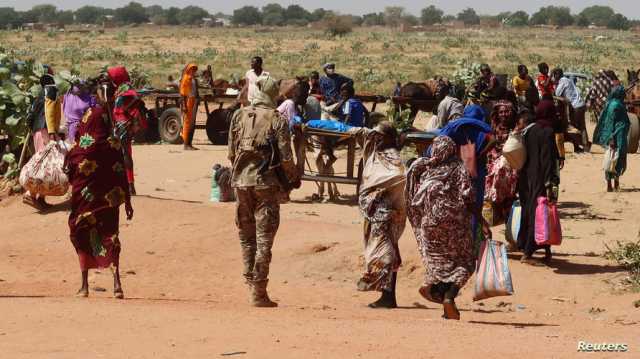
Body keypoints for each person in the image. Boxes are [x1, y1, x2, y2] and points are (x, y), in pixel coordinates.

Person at [228, 74, 300, 307]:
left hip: (240, 183)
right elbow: (286, 157)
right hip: (265, 185)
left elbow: (231, 153)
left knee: (246, 237)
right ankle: (259, 292)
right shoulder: (276, 119)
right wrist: (292, 177)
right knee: (264, 239)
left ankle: (250, 283)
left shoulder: (239, 115)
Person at [406, 136, 489, 320]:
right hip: (455, 228)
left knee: (438, 263)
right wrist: (480, 220)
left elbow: (415, 200)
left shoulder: (427, 171)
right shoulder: (459, 169)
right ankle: (449, 297)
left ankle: (435, 290)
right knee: (465, 263)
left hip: (430, 227)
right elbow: (468, 197)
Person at [64, 81, 133, 299]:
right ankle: (117, 284)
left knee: (82, 232)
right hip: (108, 203)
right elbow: (123, 175)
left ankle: (84, 286)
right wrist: (128, 202)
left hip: (86, 202)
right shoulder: (114, 145)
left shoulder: (81, 149)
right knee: (110, 235)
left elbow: (71, 165)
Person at [348, 122, 406, 308]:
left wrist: (381, 196)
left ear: (390, 138)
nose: (376, 138)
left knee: (386, 253)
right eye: (375, 135)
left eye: (380, 136)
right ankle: (388, 295)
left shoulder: (396, 160)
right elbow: (355, 131)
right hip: (374, 214)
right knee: (389, 252)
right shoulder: (373, 152)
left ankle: (388, 296)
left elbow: (398, 182)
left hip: (389, 215)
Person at [518, 104, 561, 265]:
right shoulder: (546, 132)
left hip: (527, 178)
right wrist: (550, 182)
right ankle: (528, 252)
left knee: (536, 211)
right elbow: (548, 159)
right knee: (541, 213)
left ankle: (542, 248)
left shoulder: (528, 132)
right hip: (541, 178)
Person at [23, 72, 62, 210]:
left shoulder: (39, 96)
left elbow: (31, 116)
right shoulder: (51, 91)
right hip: (45, 131)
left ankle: (41, 197)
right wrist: (51, 133)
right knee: (43, 164)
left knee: (43, 163)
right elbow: (50, 112)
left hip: (37, 131)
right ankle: (31, 194)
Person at [107, 66, 147, 195]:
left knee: (124, 153)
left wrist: (124, 109)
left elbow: (135, 97)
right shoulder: (120, 87)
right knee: (124, 152)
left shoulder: (126, 87)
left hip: (123, 124)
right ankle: (127, 183)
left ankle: (129, 185)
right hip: (121, 124)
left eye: (113, 76)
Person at [485, 100, 519, 227]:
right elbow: (490, 146)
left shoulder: (516, 128)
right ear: (497, 114)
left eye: (507, 112)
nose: (504, 114)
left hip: (512, 163)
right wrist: (495, 156)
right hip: (495, 163)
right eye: (501, 112)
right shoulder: (493, 128)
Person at [593, 85, 630, 192]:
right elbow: (610, 123)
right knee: (613, 159)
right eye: (623, 93)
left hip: (620, 135)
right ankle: (611, 184)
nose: (624, 95)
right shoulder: (615, 105)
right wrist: (611, 138)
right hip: (616, 136)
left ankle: (615, 183)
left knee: (617, 158)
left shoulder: (617, 103)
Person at [552, 68, 590, 153]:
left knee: (572, 128)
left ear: (556, 75)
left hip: (575, 106)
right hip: (581, 104)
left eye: (554, 75)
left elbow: (557, 94)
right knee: (582, 126)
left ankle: (581, 144)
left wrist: (554, 88)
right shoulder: (568, 80)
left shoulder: (562, 82)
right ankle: (585, 146)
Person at [179, 63, 200, 151]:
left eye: (195, 69)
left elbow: (196, 91)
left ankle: (189, 144)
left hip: (193, 101)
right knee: (187, 124)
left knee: (192, 123)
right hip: (187, 101)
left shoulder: (193, 79)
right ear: (188, 69)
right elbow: (183, 94)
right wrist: (184, 105)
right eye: (192, 69)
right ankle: (186, 144)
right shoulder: (186, 78)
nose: (193, 71)